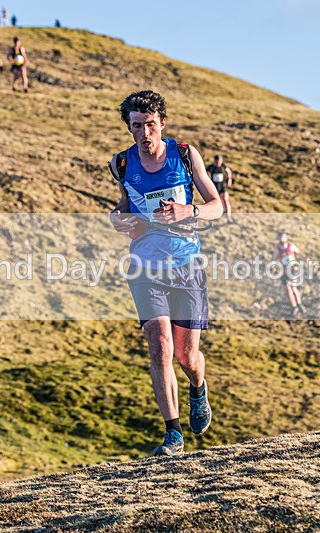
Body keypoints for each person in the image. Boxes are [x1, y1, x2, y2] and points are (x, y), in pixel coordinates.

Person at [108, 91, 223, 456]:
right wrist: (117, 218)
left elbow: (218, 207)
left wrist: (187, 212)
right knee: (160, 346)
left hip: (186, 264)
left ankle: (198, 388)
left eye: (151, 125)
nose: (144, 133)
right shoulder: (121, 164)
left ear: (162, 124)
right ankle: (173, 434)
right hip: (145, 265)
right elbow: (124, 208)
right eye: (136, 126)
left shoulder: (185, 155)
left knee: (187, 357)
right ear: (129, 127)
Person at [274, 232, 306, 316]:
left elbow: (299, 252)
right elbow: (274, 259)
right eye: (281, 237)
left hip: (293, 269)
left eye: (284, 237)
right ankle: (294, 306)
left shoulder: (291, 246)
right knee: (288, 289)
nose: (282, 239)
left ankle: (299, 304)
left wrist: (306, 258)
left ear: (286, 238)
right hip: (285, 271)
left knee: (294, 287)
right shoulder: (277, 250)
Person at [206, 154, 234, 223]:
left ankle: (228, 216)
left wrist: (229, 179)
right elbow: (203, 172)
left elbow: (228, 171)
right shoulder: (211, 167)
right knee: (215, 202)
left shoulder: (223, 166)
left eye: (219, 161)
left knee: (226, 200)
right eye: (217, 161)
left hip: (222, 187)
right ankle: (215, 216)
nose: (218, 163)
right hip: (214, 188)